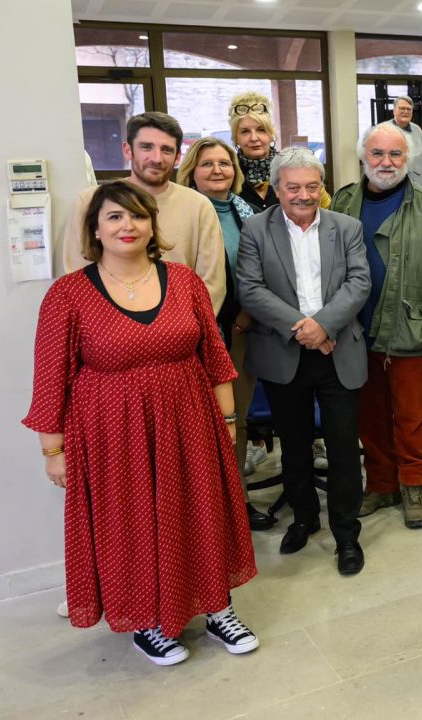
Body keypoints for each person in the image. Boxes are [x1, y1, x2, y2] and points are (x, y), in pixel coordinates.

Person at [25, 180, 259, 666]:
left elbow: (215, 358)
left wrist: (229, 419)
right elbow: (51, 380)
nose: (127, 226)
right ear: (95, 228)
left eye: (137, 216)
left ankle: (218, 608)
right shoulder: (68, 295)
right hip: (112, 433)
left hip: (191, 419)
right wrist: (54, 451)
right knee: (132, 522)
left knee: (201, 511)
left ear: (153, 225)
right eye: (113, 217)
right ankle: (149, 620)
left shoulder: (184, 281)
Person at [236, 148, 371, 576]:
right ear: (277, 189)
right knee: (293, 446)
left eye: (312, 186)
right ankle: (304, 518)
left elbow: (359, 281)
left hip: (338, 350)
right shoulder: (256, 229)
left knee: (344, 447)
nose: (303, 195)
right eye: (293, 187)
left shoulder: (346, 227)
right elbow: (251, 290)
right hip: (284, 354)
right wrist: (303, 328)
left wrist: (325, 327)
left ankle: (347, 533)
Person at [331, 123, 422, 529]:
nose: (386, 163)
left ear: (407, 159)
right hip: (355, 331)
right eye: (377, 154)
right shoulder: (343, 202)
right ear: (363, 158)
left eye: (395, 155)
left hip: (411, 330)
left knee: (411, 415)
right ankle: (381, 483)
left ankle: (413, 484)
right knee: (369, 416)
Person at [176, 136, 278, 530]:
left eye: (224, 163)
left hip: (237, 330)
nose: (218, 170)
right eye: (207, 164)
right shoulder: (181, 213)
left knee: (233, 419)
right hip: (189, 337)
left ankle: (235, 501)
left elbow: (260, 271)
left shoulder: (244, 212)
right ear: (191, 172)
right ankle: (199, 509)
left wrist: (246, 316)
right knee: (193, 428)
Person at [63, 112, 226, 315]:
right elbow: (76, 278)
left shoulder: (198, 206)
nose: (156, 158)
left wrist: (179, 332)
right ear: (127, 150)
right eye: (146, 147)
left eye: (166, 150)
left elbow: (212, 284)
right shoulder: (90, 202)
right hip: (108, 335)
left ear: (177, 157)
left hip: (180, 334)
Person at [229, 91, 333, 212]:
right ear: (235, 137)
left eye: (261, 130)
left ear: (271, 134)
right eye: (245, 131)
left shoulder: (294, 166)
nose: (254, 138)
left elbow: (327, 213)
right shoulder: (228, 174)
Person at [388, 94, 422, 160]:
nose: (406, 112)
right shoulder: (382, 130)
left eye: (409, 109)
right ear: (394, 111)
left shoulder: (417, 130)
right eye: (402, 108)